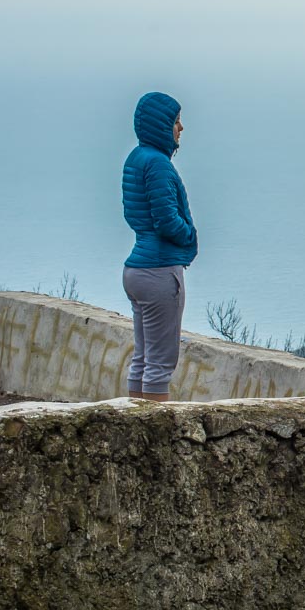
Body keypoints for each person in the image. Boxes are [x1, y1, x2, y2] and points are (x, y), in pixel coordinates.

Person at [121, 92, 197, 402]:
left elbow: (133, 213)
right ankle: (155, 438)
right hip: (159, 271)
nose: (181, 128)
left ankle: (134, 428)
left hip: (136, 270)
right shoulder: (159, 165)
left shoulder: (136, 159)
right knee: (161, 364)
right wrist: (189, 235)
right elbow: (167, 220)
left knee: (142, 359)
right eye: (176, 122)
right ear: (160, 125)